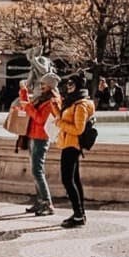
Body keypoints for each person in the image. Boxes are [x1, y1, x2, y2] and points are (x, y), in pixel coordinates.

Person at [54, 74, 95, 228]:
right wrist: (56, 109)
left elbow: (78, 129)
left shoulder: (81, 105)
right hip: (68, 143)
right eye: (68, 83)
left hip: (72, 144)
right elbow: (65, 118)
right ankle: (79, 213)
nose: (68, 86)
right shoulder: (72, 101)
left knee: (68, 180)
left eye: (71, 83)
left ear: (78, 85)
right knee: (75, 180)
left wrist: (59, 123)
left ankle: (78, 215)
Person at [19, 72, 61, 216]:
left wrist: (28, 107)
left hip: (41, 137)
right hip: (33, 135)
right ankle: (40, 201)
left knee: (37, 170)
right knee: (36, 170)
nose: (41, 86)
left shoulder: (52, 101)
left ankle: (47, 203)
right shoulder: (43, 98)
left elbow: (40, 119)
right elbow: (29, 107)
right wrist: (23, 91)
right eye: (41, 84)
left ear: (50, 86)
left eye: (44, 84)